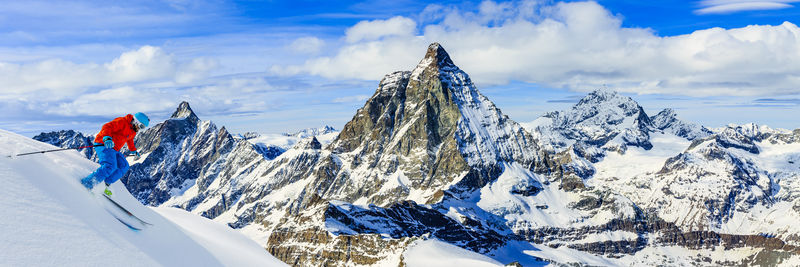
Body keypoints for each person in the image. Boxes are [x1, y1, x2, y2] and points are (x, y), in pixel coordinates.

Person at [80, 112, 149, 196]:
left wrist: (133, 150)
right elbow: (107, 126)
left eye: (143, 128)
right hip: (103, 144)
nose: (140, 129)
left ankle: (106, 184)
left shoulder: (133, 131)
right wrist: (107, 138)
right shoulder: (122, 121)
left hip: (114, 149)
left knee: (124, 166)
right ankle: (87, 184)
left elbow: (130, 140)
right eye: (141, 126)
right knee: (110, 166)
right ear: (136, 121)